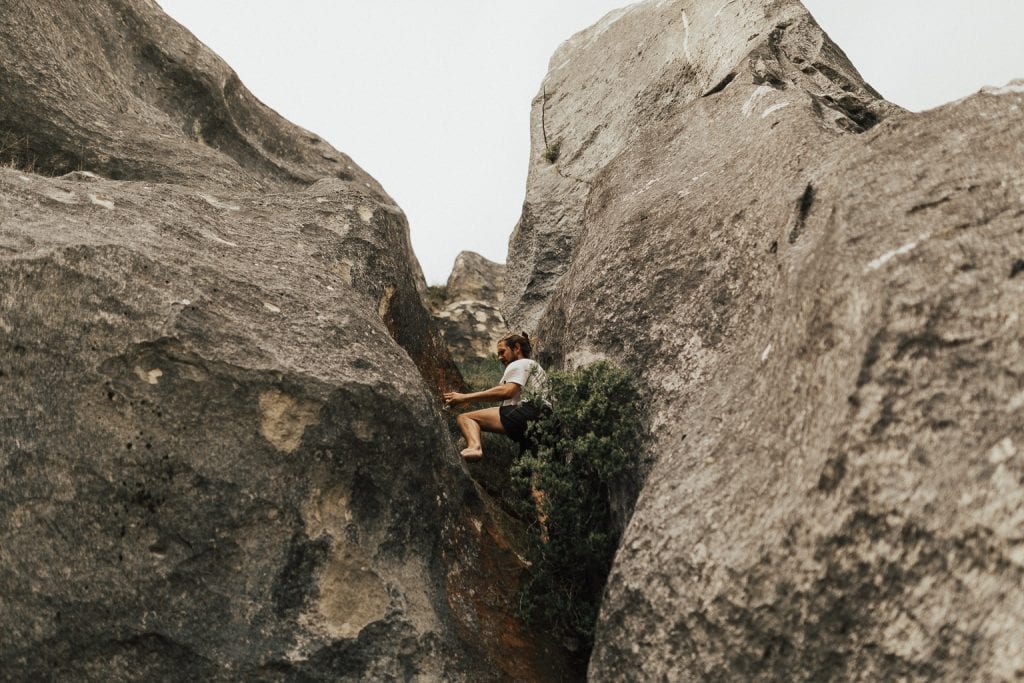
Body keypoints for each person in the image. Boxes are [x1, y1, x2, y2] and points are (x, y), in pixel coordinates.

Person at [443, 331, 549, 461]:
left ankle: (474, 448)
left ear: (516, 348)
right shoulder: (534, 367)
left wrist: (464, 398)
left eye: (502, 352)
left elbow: (507, 391)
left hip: (528, 412)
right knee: (526, 465)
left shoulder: (519, 363)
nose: (499, 357)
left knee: (465, 418)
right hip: (544, 422)